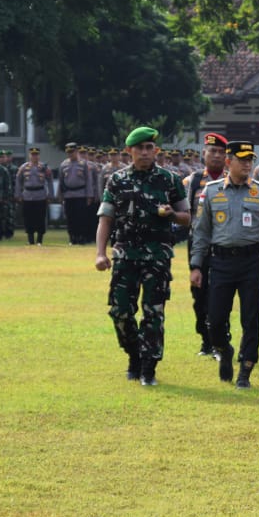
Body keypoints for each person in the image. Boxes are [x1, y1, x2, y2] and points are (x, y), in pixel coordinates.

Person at [94, 126, 190, 386]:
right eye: (140, 148)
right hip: (125, 255)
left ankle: (149, 367)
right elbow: (106, 219)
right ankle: (134, 354)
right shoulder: (116, 180)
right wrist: (100, 254)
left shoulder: (169, 180)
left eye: (150, 148)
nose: (146, 152)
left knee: (153, 313)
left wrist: (171, 214)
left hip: (157, 257)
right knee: (120, 311)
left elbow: (187, 218)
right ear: (129, 151)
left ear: (156, 150)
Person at [190, 141, 259, 389]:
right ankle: (224, 348)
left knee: (250, 318)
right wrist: (196, 265)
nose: (247, 164)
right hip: (220, 262)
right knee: (216, 320)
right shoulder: (210, 191)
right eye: (242, 159)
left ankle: (246, 371)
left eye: (250, 159)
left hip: (251, 261)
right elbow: (200, 233)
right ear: (229, 162)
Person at [183, 132, 230, 357]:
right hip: (198, 245)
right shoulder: (192, 181)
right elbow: (185, 213)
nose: (217, 156)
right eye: (213, 151)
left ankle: (221, 340)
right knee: (199, 294)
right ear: (205, 153)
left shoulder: (232, 180)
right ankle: (205, 339)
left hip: (224, 245)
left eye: (221, 152)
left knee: (221, 294)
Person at [58, 142, 96, 244]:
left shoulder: (84, 164)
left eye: (72, 152)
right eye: (68, 152)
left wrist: (89, 196)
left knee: (81, 218)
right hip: (68, 195)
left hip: (81, 194)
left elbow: (89, 181)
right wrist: (60, 195)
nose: (70, 154)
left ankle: (81, 237)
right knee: (70, 218)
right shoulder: (63, 164)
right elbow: (61, 181)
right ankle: (72, 238)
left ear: (76, 151)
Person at [15, 147, 53, 245]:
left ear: (39, 155)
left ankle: (39, 240)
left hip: (40, 195)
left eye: (36, 154)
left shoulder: (44, 167)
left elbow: (50, 181)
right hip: (27, 196)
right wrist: (18, 194)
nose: (34, 156)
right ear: (29, 155)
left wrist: (50, 195)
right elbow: (18, 181)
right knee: (28, 218)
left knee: (40, 218)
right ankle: (30, 240)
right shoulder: (23, 167)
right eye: (32, 154)